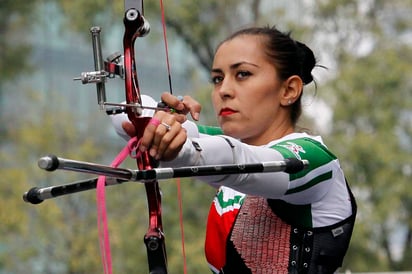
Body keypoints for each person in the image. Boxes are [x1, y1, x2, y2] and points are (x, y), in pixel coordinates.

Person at [116, 26, 356, 274]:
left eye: (242, 74)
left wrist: (179, 149)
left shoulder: (314, 159)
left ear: (289, 90)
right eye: (218, 79)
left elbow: (238, 162)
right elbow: (134, 119)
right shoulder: (236, 145)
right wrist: (158, 119)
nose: (224, 90)